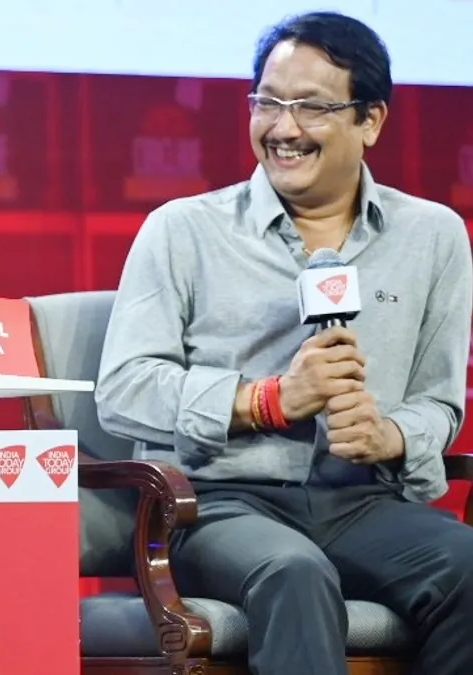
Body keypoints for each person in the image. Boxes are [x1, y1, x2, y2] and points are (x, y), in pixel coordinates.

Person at [96, 11, 473, 675]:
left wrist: (391, 435)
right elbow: (123, 389)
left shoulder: (434, 237)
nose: (284, 128)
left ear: (371, 121)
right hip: (215, 504)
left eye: (312, 107)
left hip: (362, 500)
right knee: (294, 572)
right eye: (268, 102)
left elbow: (439, 405)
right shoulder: (183, 230)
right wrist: (266, 400)